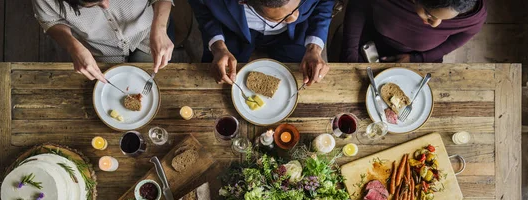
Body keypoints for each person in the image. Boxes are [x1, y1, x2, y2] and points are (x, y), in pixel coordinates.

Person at [188, 0, 335, 86]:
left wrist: (314, 48)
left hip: (294, 34)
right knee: (217, 77)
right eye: (282, 18)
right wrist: (218, 46)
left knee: (299, 78)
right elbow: (203, 12)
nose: (294, 18)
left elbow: (325, 4)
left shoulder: (296, 21)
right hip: (233, 30)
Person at [32, 0, 176, 81]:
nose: (106, 4)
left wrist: (160, 28)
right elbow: (50, 20)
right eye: (94, 4)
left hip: (149, 33)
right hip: (100, 49)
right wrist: (72, 45)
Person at [340, 0, 487, 63]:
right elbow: (357, 7)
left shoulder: (473, 15)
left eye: (445, 20)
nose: (435, 25)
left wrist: (418, 59)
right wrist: (350, 54)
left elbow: (456, 41)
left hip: (423, 58)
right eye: (429, 14)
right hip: (370, 42)